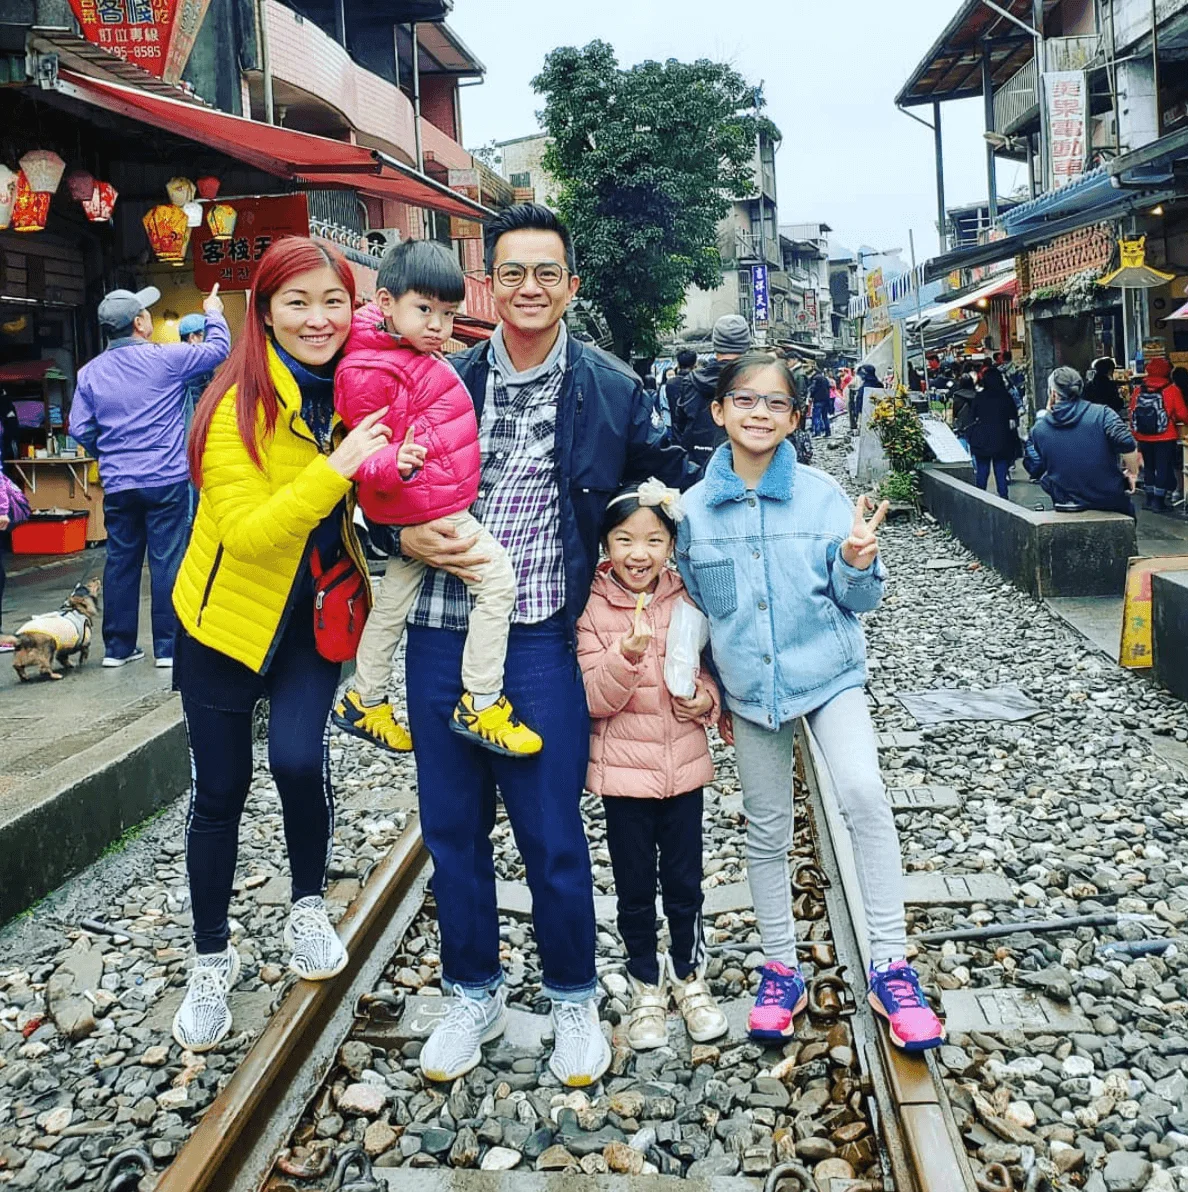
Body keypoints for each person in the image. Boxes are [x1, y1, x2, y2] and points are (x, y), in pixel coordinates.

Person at [390, 205, 690, 1087]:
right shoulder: (436, 375)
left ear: (570, 285)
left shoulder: (611, 388)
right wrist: (392, 534)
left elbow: (669, 485)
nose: (530, 288)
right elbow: (371, 481)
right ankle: (472, 990)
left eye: (546, 273)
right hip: (437, 630)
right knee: (452, 828)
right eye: (513, 273)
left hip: (538, 640)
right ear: (491, 284)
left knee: (551, 832)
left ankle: (571, 996)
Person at [677, 352, 944, 1052]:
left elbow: (861, 600)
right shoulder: (693, 511)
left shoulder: (824, 496)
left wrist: (857, 562)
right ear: (719, 411)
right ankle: (779, 969)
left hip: (829, 674)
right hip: (749, 690)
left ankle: (891, 965)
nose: (758, 414)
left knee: (863, 794)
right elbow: (696, 608)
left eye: (775, 403)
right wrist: (707, 681)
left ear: (796, 418)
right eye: (744, 400)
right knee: (766, 827)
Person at [169, 239, 393, 1051]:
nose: (318, 319)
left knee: (300, 762)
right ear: (263, 312)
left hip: (311, 619)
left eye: (333, 301)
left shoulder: (361, 387)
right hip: (222, 625)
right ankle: (210, 957)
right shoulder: (235, 405)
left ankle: (306, 906)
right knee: (220, 792)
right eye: (297, 302)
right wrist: (338, 468)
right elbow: (249, 532)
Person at [331, 240, 540, 759]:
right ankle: (482, 700)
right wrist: (394, 462)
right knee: (497, 583)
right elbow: (359, 453)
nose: (438, 326)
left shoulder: (398, 352)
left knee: (392, 603)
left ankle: (363, 696)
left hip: (421, 501)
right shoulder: (368, 370)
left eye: (447, 314)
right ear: (385, 302)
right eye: (424, 309)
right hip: (427, 504)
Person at [576, 479, 728, 1051]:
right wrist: (627, 655)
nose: (638, 554)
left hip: (684, 769)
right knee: (634, 887)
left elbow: (709, 668)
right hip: (624, 779)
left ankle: (689, 976)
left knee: (685, 883)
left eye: (654, 541)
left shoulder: (686, 594)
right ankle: (645, 982)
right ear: (605, 545)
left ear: (671, 545)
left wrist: (706, 700)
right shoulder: (592, 607)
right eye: (624, 540)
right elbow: (593, 696)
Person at [70, 285, 230, 668]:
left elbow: (79, 428)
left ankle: (118, 648)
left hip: (119, 483)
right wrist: (214, 311)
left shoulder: (89, 373)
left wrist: (108, 452)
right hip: (166, 478)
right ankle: (168, 648)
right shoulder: (166, 358)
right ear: (140, 323)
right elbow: (218, 349)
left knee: (120, 561)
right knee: (166, 560)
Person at [1024, 366, 1139, 516]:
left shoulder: (1040, 429)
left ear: (1053, 393)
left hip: (1065, 500)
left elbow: (1036, 464)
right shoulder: (1103, 414)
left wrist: (1048, 414)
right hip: (1109, 499)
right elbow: (1126, 443)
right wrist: (1132, 473)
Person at [669, 315, 752, 474]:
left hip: (697, 469)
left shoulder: (691, 381)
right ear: (747, 344)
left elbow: (679, 428)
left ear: (715, 343)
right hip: (746, 469)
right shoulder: (759, 381)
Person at [1131, 358, 1188, 513]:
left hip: (1143, 436)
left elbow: (1132, 412)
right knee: (1162, 467)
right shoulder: (1171, 389)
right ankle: (1159, 501)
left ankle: (1149, 499)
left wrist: (1136, 433)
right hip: (1165, 436)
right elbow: (1182, 414)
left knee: (1149, 467)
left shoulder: (1138, 390)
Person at [966, 367, 1019, 497]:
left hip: (981, 440)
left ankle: (980, 498)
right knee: (1001, 472)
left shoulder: (979, 397)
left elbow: (972, 417)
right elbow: (1014, 418)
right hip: (1002, 439)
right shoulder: (1006, 397)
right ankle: (1003, 498)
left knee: (982, 473)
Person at [949, 371, 978, 455]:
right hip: (975, 427)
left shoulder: (957, 396)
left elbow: (953, 413)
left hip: (961, 427)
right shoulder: (977, 396)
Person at [849, 363, 879, 433]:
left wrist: (857, 412)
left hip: (865, 413)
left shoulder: (865, 386)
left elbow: (860, 401)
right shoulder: (878, 384)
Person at [808, 365, 832, 438]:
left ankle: (817, 432)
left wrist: (811, 396)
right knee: (825, 417)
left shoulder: (815, 379)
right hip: (826, 400)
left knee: (816, 417)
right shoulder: (825, 379)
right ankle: (828, 432)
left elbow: (813, 389)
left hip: (818, 400)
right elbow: (829, 388)